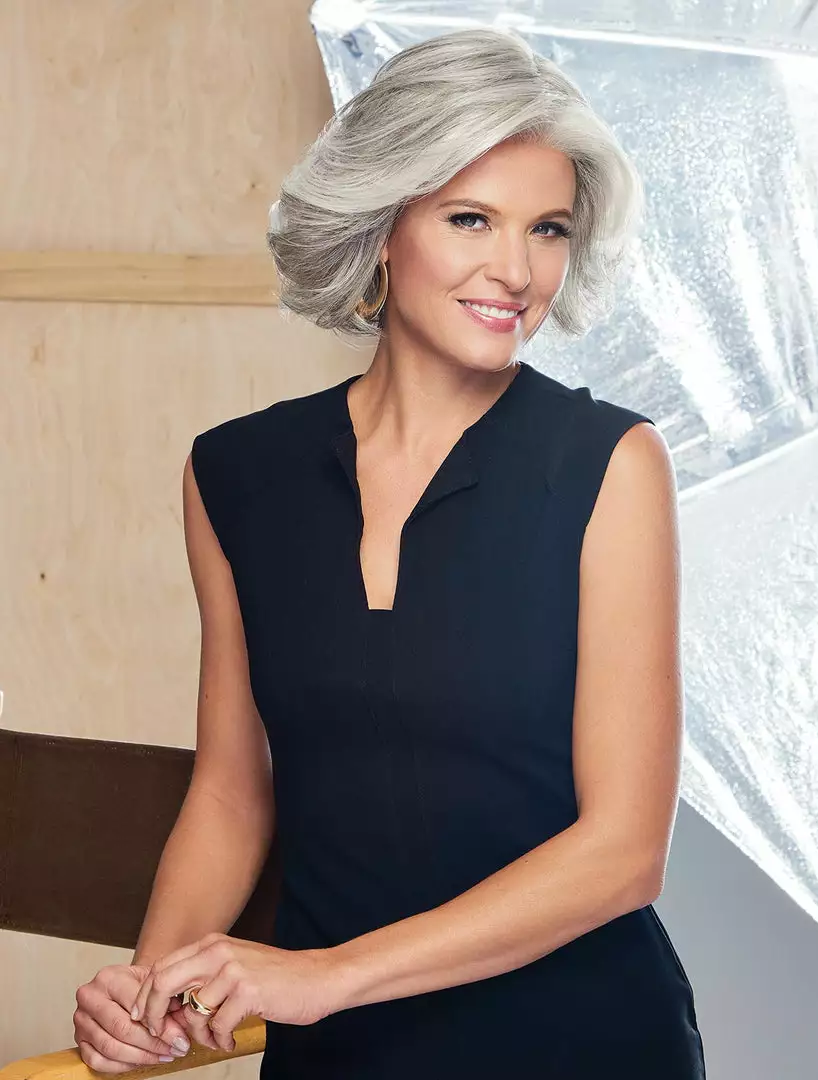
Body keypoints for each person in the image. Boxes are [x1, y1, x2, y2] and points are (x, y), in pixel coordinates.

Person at [73, 26, 706, 1078]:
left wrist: (326, 976)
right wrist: (152, 987)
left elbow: (623, 854)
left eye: (548, 229)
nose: (517, 270)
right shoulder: (236, 474)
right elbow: (234, 793)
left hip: (579, 1043)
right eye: (471, 219)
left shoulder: (610, 465)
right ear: (381, 225)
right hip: (340, 1055)